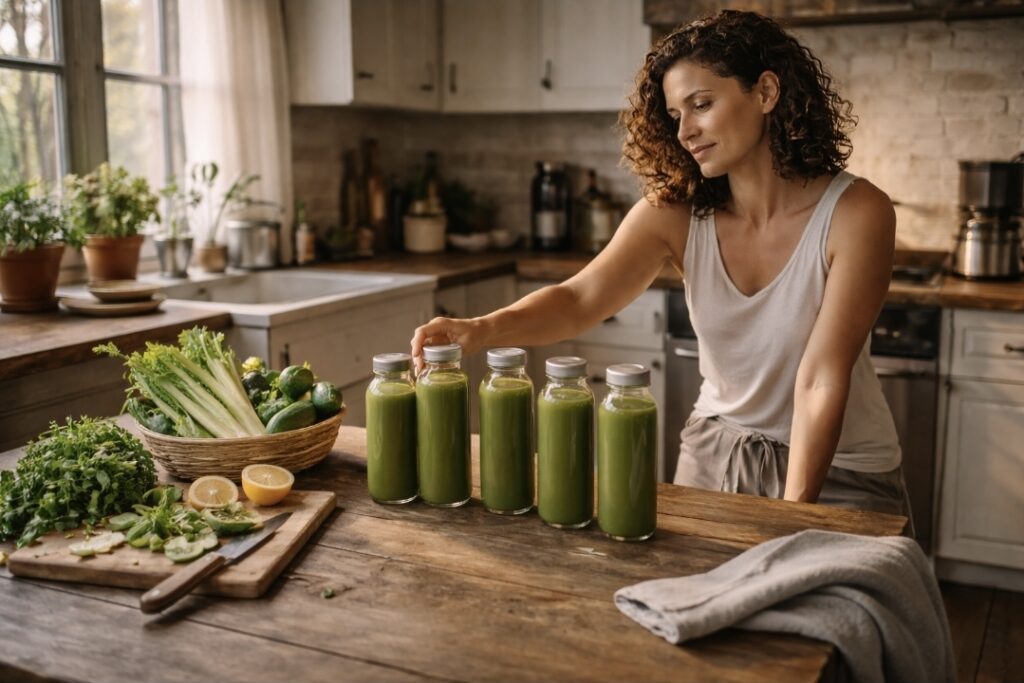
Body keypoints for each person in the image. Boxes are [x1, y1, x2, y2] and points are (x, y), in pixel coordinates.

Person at [410, 10, 912, 524]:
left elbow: (821, 377)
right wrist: (480, 329)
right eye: (675, 116)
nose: (686, 131)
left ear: (765, 92)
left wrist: (793, 515)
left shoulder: (856, 212)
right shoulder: (673, 214)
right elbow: (579, 300)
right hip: (714, 457)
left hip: (843, 472)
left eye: (702, 104)